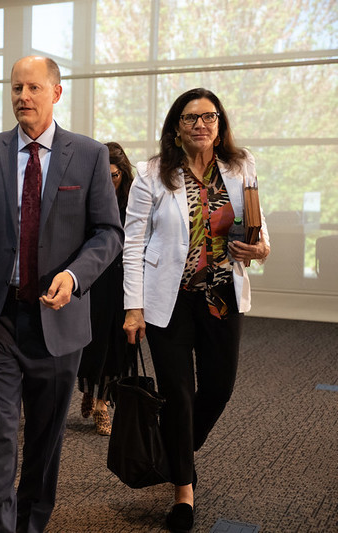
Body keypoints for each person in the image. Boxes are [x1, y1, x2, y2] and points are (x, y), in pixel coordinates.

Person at [0, 56, 123, 533]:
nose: (23, 96)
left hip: (57, 321)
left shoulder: (90, 155)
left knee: (44, 439)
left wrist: (76, 276)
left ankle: (31, 525)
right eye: (16, 87)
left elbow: (107, 234)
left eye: (34, 87)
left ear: (56, 94)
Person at [122, 88, 270, 533]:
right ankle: (183, 492)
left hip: (223, 294)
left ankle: (175, 454)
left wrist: (261, 249)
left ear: (220, 124)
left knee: (219, 389)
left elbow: (260, 229)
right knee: (179, 393)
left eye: (209, 116)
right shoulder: (152, 173)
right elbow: (132, 244)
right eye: (190, 118)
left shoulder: (241, 166)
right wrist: (134, 307)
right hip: (170, 298)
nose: (201, 124)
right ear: (176, 127)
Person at [76, 141, 134, 436]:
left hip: (125, 284)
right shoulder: (87, 200)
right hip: (94, 282)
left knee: (118, 346)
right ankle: (90, 389)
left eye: (114, 175)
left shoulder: (134, 203)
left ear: (123, 174)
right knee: (93, 342)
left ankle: (102, 403)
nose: (109, 181)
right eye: (104, 175)